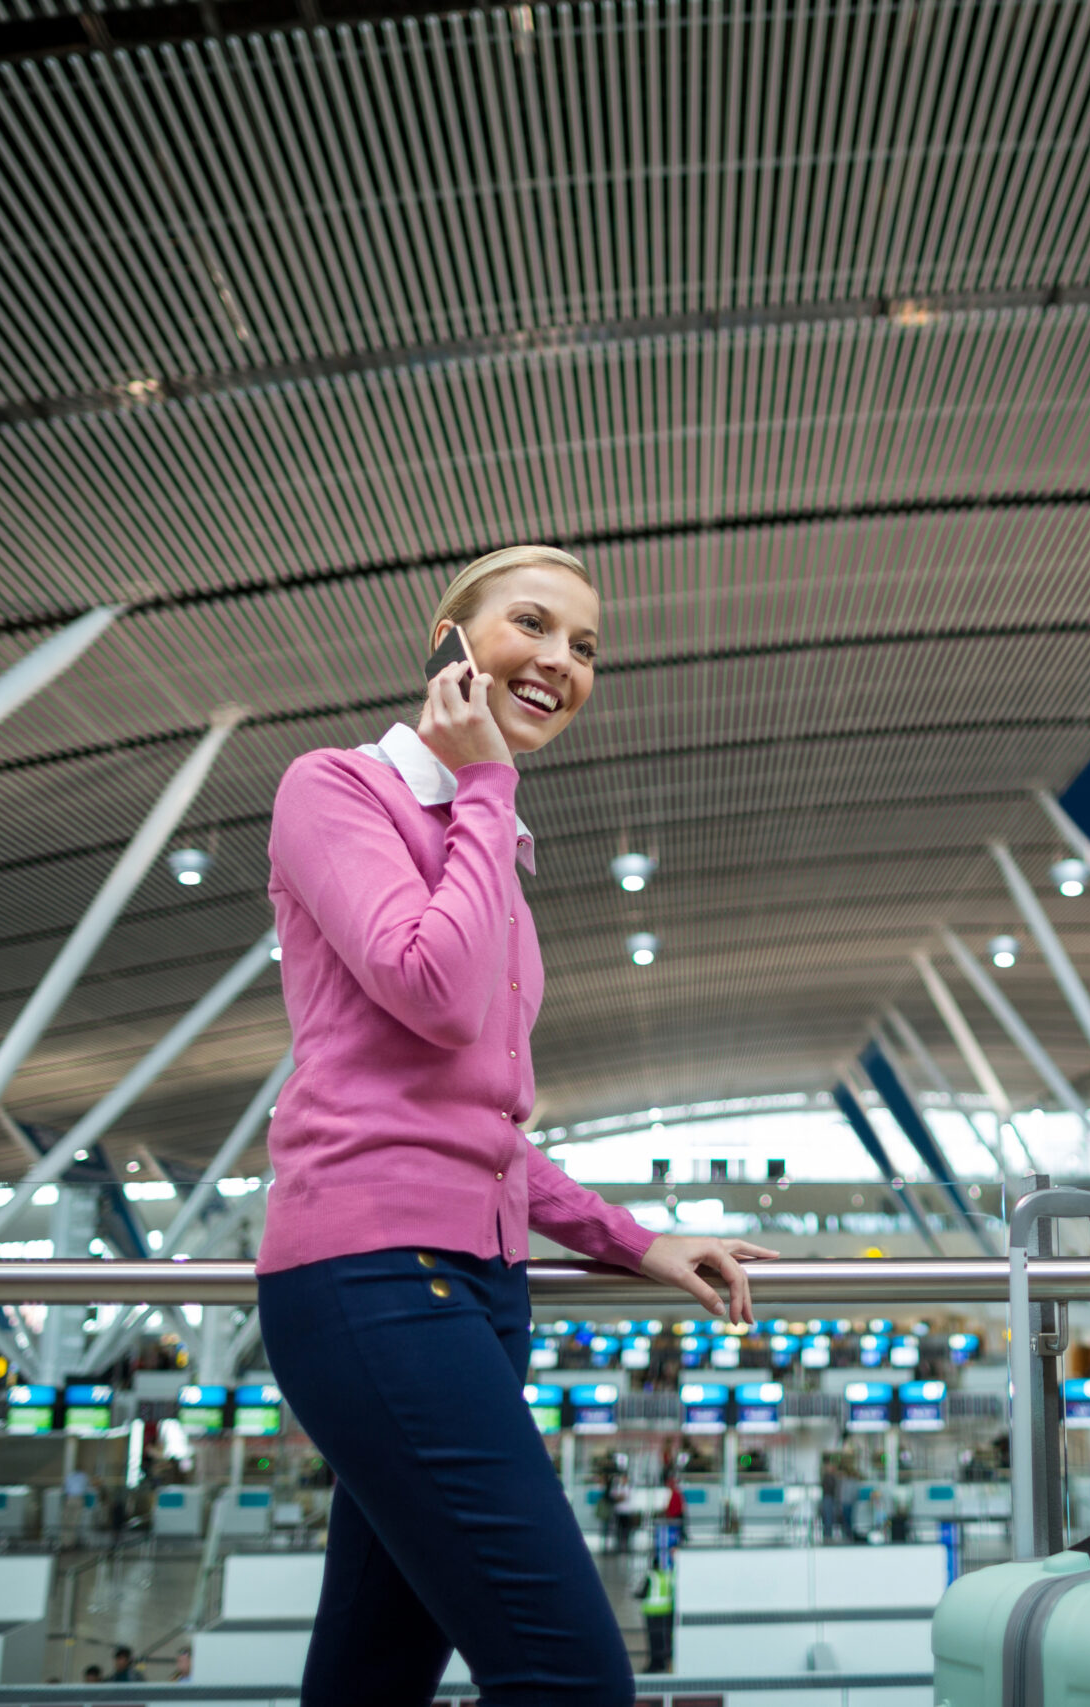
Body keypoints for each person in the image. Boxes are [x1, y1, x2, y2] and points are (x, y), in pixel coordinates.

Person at [254, 544, 777, 1707]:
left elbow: (475, 1123)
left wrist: (630, 1239)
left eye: (585, 647)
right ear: (449, 643)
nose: (560, 662)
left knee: (372, 1675)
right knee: (571, 1675)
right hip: (374, 1281)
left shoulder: (483, 850)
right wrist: (486, 786)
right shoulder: (335, 788)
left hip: (478, 1288)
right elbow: (428, 988)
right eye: (532, 626)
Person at [639, 1549, 676, 1673]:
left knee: (654, 1639)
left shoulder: (651, 1576)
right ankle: (666, 1663)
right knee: (665, 1639)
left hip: (652, 1613)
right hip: (667, 1612)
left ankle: (655, 1664)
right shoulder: (668, 1575)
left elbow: (642, 1593)